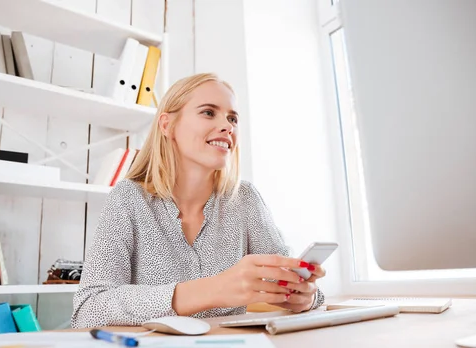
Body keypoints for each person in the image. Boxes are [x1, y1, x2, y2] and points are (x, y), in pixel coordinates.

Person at [71, 73, 326, 329]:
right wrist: (212, 290)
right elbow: (88, 309)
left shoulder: (245, 199)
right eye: (208, 112)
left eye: (232, 118)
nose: (228, 126)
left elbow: (295, 284)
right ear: (167, 125)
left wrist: (305, 296)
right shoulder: (128, 198)